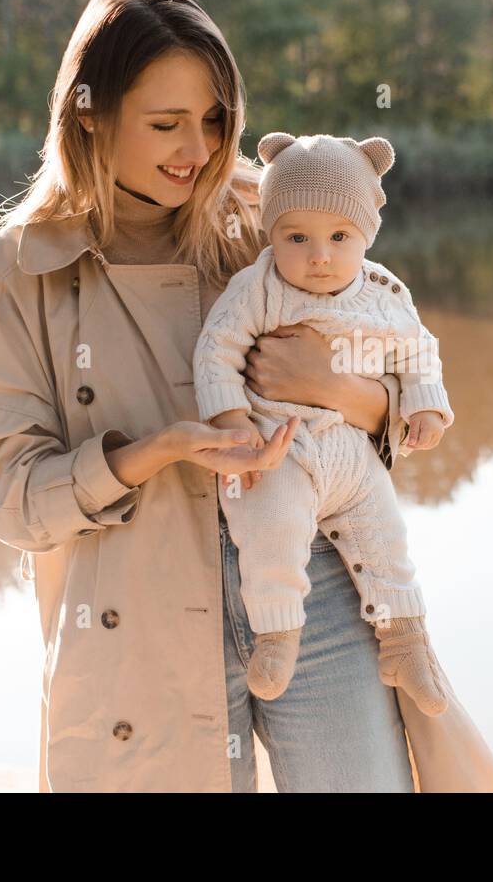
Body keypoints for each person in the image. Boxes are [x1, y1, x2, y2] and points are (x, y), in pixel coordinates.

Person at [0, 0, 493, 792]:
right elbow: (6, 494)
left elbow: (398, 362)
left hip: (311, 583)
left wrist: (346, 391)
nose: (199, 149)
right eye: (166, 123)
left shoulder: (268, 217)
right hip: (138, 610)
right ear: (89, 114)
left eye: (215, 120)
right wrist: (154, 452)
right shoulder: (19, 271)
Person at [194, 131, 453, 712]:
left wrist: (425, 404)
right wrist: (236, 424)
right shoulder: (259, 287)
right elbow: (217, 350)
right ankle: (278, 634)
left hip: (353, 453)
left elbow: (418, 352)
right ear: (271, 233)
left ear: (366, 235)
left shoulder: (385, 291)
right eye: (297, 237)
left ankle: (405, 638)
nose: (319, 255)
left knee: (388, 538)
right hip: (281, 445)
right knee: (272, 527)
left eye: (340, 237)